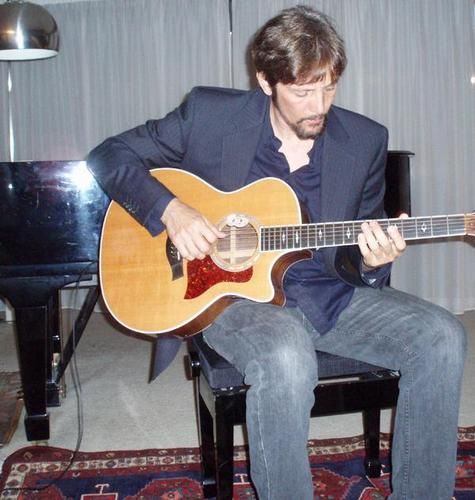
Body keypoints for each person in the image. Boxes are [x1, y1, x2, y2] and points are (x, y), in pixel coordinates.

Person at [87, 6, 466, 499]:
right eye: (303, 92)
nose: (319, 105)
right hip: (230, 297)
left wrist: (373, 262)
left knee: (442, 336)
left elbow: (354, 251)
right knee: (287, 357)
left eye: (329, 88)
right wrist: (171, 211)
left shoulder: (365, 140)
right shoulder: (209, 114)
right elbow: (108, 156)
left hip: (328, 294)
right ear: (266, 81)